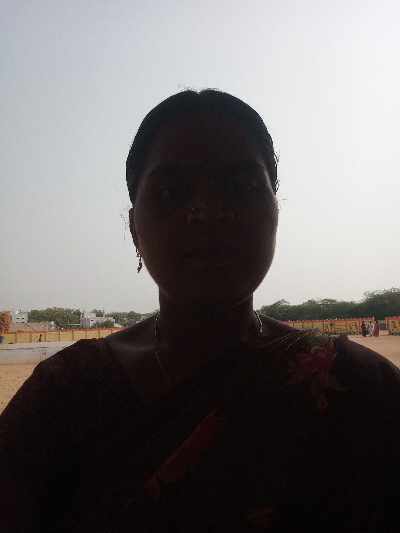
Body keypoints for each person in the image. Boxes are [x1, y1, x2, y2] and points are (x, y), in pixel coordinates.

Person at [1, 90, 400, 532]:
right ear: (134, 228)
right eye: (170, 191)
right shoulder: (66, 399)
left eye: (240, 187)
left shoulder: (363, 391)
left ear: (275, 212)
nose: (207, 212)